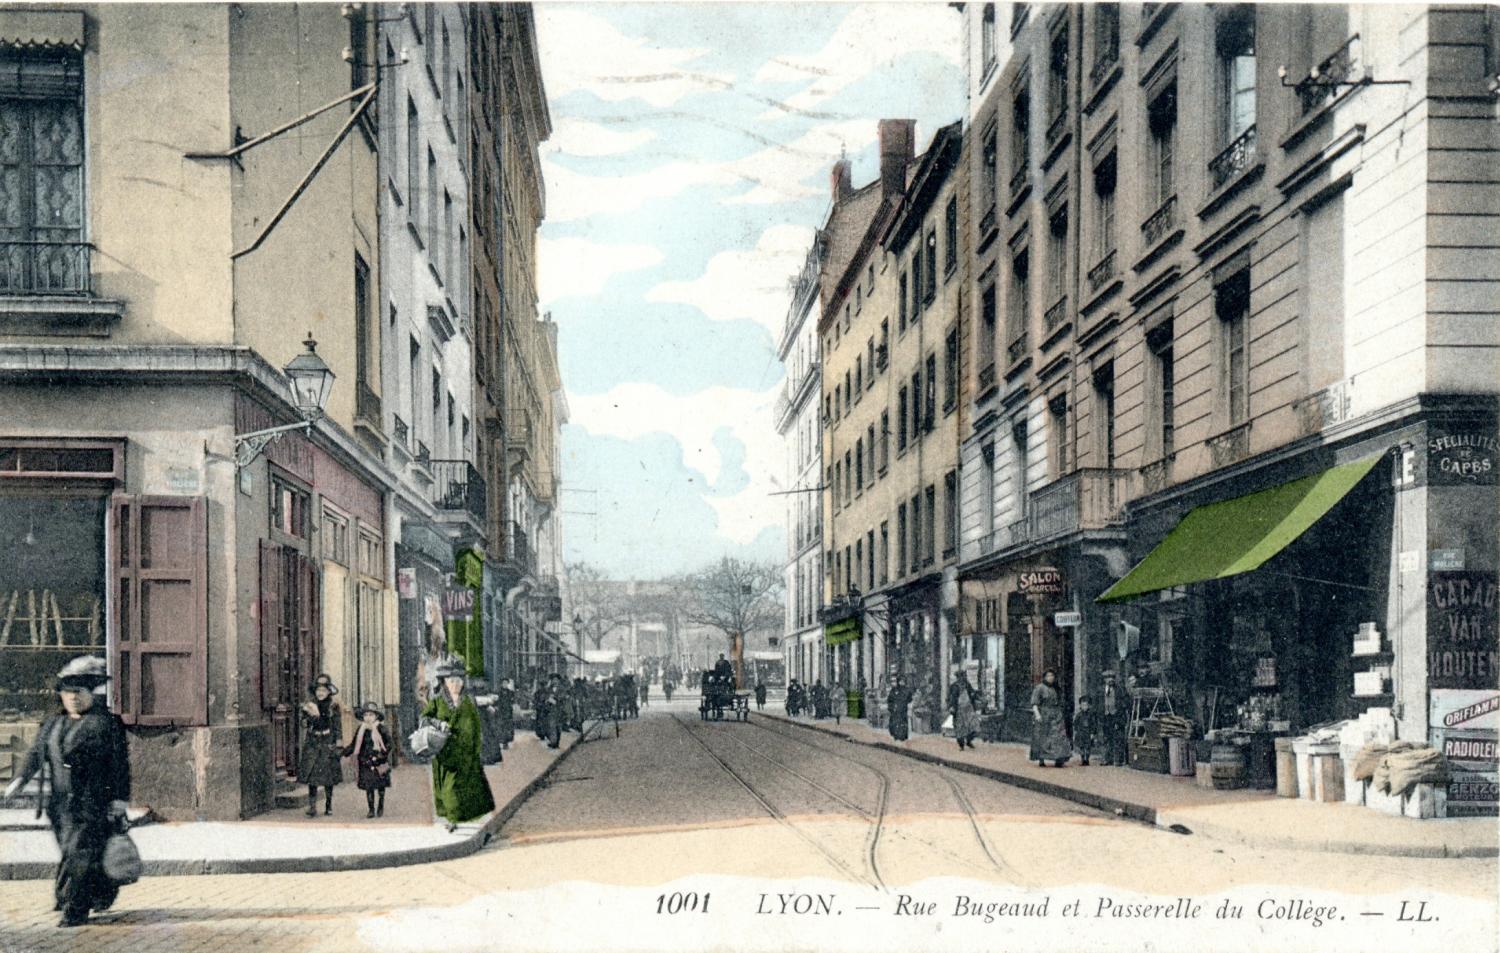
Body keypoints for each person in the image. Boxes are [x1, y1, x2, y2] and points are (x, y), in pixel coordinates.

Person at [4, 656, 130, 927]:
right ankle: (79, 895)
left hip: (93, 803)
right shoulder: (52, 724)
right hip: (60, 806)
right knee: (71, 851)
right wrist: (19, 781)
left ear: (90, 694)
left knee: (80, 853)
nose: (72, 698)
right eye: (67, 692)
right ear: (60, 695)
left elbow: (120, 764)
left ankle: (75, 909)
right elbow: (36, 754)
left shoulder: (105, 724)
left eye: (79, 692)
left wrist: (120, 799)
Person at [421, 658, 495, 831]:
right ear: (445, 683)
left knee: (467, 788)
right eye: (451, 681)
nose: (455, 684)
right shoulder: (438, 701)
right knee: (449, 787)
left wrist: (478, 748)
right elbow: (424, 718)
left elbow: (476, 725)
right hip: (446, 752)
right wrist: (440, 724)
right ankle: (452, 819)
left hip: (467, 753)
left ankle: (460, 816)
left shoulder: (468, 702)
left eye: (458, 681)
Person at [299, 674, 343, 816]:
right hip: (313, 741)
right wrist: (308, 716)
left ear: (329, 692)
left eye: (323, 691)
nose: (320, 693)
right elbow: (304, 723)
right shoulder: (310, 705)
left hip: (327, 740)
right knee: (312, 776)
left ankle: (328, 805)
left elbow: (337, 726)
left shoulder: (333, 706)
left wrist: (338, 743)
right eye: (318, 690)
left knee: (327, 776)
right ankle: (312, 807)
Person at [342, 701, 395, 818]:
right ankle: (371, 809)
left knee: (381, 785)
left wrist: (382, 755)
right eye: (366, 715)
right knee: (369, 786)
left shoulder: (381, 729)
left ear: (376, 716)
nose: (368, 718)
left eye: (371, 715)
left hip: (379, 761)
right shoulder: (361, 729)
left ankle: (380, 805)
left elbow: (390, 744)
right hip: (365, 761)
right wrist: (343, 753)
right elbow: (354, 744)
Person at [1030, 669, 1072, 768]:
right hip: (1044, 715)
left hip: (1056, 715)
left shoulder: (1056, 688)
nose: (1051, 678)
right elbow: (1034, 703)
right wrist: (1037, 715)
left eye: (1052, 676)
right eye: (1048, 676)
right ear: (1044, 677)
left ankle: (1059, 759)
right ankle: (1041, 759)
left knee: (1059, 736)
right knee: (1043, 737)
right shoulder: (1039, 688)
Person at [948, 671, 981, 750]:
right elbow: (952, 698)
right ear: (958, 677)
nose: (964, 678)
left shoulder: (967, 685)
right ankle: (961, 745)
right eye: (962, 676)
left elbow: (972, 693)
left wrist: (978, 698)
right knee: (960, 728)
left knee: (974, 725)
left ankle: (969, 740)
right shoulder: (954, 686)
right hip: (959, 710)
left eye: (964, 676)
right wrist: (952, 707)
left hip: (969, 709)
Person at [1100, 670, 1126, 766]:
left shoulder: (1119, 689)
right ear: (1104, 680)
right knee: (1107, 738)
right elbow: (1098, 703)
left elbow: (1123, 702)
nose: (1110, 679)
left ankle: (1118, 760)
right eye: (1108, 678)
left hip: (1116, 716)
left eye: (1112, 677)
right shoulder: (1101, 690)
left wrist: (1120, 713)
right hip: (1106, 716)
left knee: (1118, 738)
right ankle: (1107, 759)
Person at [1072, 695, 1098, 766]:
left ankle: (1087, 759)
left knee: (1088, 747)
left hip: (1088, 733)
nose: (1084, 707)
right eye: (1083, 705)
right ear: (1080, 705)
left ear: (1088, 706)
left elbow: (1093, 724)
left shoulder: (1091, 715)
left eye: (1086, 705)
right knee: (1082, 747)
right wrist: (1075, 732)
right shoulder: (1078, 715)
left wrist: (1092, 733)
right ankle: (1083, 759)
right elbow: (1075, 724)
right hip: (1081, 733)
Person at [887, 676, 914, 742]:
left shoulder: (907, 690)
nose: (902, 683)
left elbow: (910, 699)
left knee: (903, 723)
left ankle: (903, 736)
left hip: (903, 709)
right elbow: (890, 699)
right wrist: (891, 707)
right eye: (900, 681)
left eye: (903, 681)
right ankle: (896, 736)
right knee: (895, 723)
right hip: (895, 709)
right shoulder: (894, 690)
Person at [495, 678, 516, 751]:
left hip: (508, 712)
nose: (505, 684)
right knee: (501, 727)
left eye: (506, 683)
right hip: (501, 712)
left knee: (508, 727)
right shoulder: (498, 692)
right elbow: (496, 702)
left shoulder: (511, 692)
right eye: (503, 683)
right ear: (501, 684)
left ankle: (506, 742)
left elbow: (513, 701)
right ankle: (502, 742)